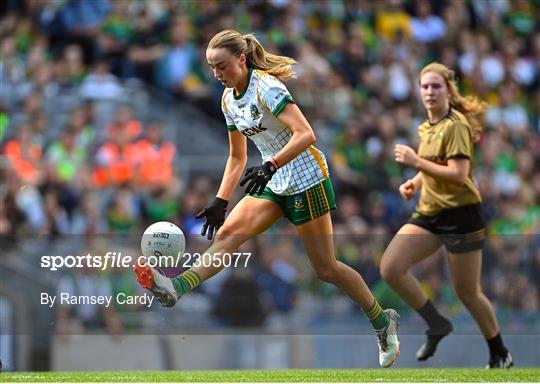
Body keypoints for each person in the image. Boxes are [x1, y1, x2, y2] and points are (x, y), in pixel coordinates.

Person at [135, 29, 400, 367]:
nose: (217, 75)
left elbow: (306, 134)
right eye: (212, 69)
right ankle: (175, 288)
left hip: (305, 176)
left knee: (326, 268)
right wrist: (221, 200)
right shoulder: (228, 99)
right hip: (272, 179)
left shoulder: (267, 87)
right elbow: (236, 157)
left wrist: (272, 163)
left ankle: (382, 321)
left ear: (241, 59)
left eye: (222, 66)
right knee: (229, 235)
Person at [380, 62, 513, 368]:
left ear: (449, 91)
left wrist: (416, 162)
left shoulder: (456, 125)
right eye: (425, 86)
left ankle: (499, 352)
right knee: (391, 267)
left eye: (436, 86)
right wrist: (415, 181)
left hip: (461, 216)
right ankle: (437, 324)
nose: (429, 92)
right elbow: (432, 166)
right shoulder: (426, 126)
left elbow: (457, 173)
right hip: (429, 212)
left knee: (467, 291)